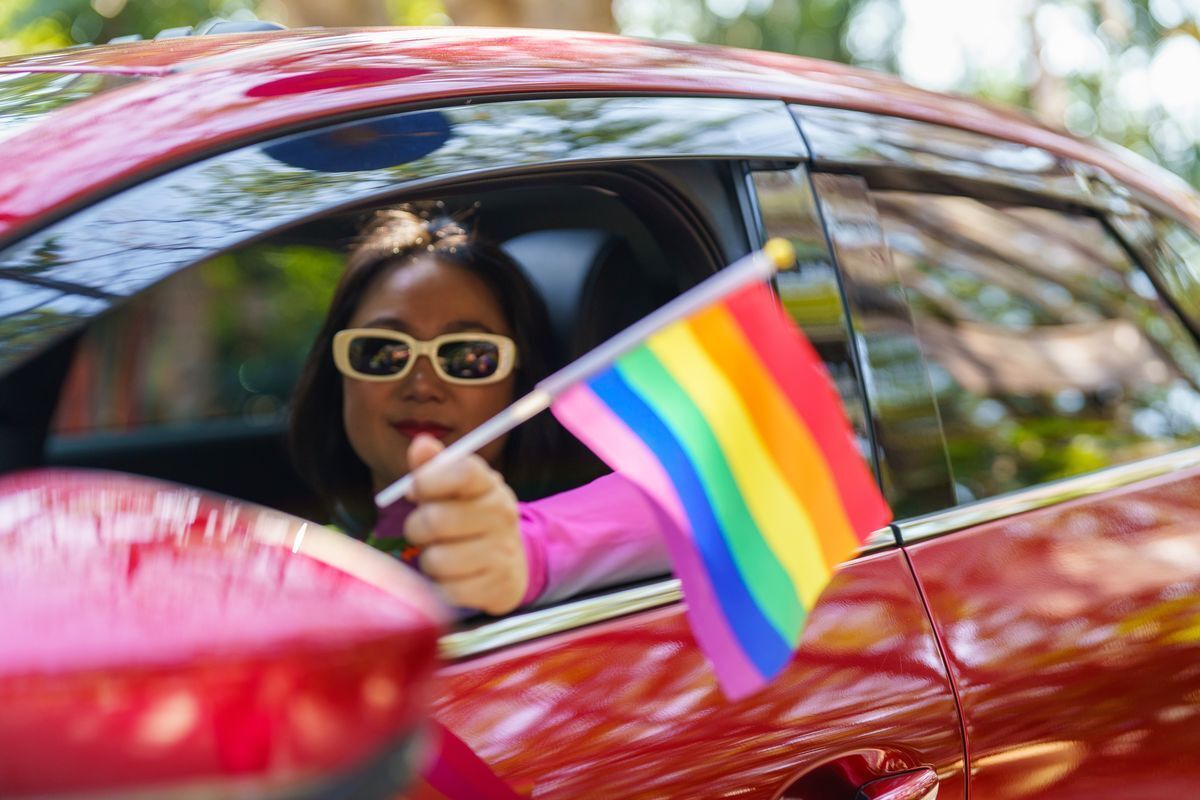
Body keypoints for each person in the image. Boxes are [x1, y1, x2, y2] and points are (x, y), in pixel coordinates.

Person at [290, 204, 668, 615]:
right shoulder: (297, 557)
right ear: (338, 371)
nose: (422, 386)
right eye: (383, 352)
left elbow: (706, 496)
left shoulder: (540, 546)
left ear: (518, 384)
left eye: (469, 356)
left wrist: (531, 550)